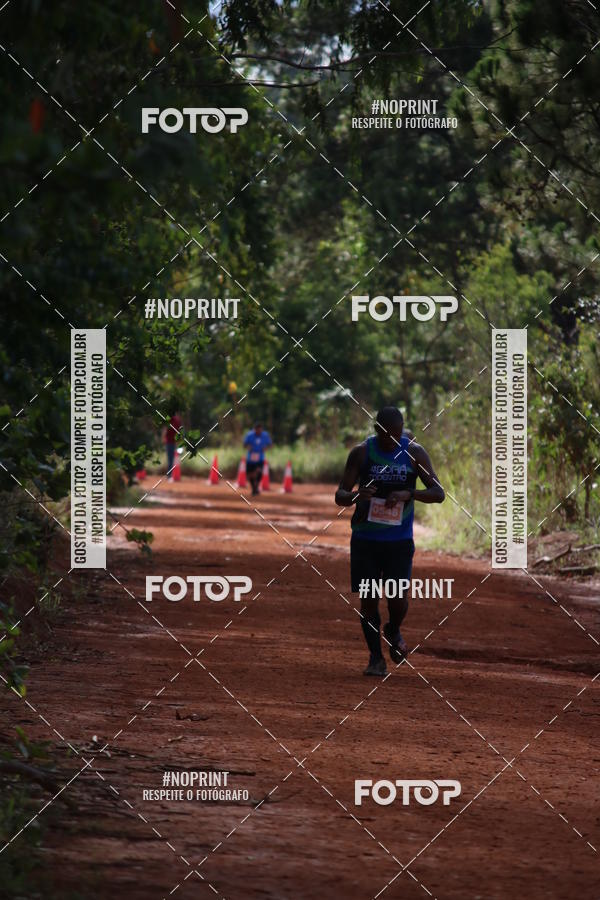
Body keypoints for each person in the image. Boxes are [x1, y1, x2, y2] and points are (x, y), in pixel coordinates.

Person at [335, 406, 445, 676]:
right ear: (376, 430)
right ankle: (375, 658)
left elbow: (438, 493)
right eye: (386, 435)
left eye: (397, 435)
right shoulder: (361, 453)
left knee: (397, 598)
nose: (392, 440)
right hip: (366, 540)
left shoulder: (414, 453)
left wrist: (410, 494)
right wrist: (357, 496)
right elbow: (340, 495)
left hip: (399, 541)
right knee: (369, 600)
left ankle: (393, 629)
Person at [243, 423, 272, 495]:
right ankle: (254, 488)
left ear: (262, 429)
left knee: (259, 472)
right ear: (254, 429)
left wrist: (266, 448)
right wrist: (248, 447)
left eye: (260, 430)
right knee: (250, 474)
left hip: (260, 457)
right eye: (257, 430)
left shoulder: (265, 435)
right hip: (251, 458)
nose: (259, 431)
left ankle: (256, 486)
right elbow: (244, 444)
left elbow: (270, 444)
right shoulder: (249, 435)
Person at [164, 408, 182, 482]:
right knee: (174, 459)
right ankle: (171, 475)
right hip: (173, 442)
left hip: (170, 442)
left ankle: (170, 475)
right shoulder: (177, 420)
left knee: (171, 459)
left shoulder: (170, 420)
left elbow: (165, 430)